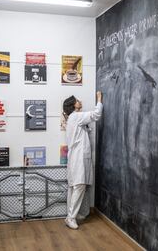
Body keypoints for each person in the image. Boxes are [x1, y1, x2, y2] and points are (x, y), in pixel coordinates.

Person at [63, 91, 103, 229]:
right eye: (77, 100)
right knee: (79, 186)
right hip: (78, 157)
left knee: (75, 186)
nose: (80, 101)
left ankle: (76, 214)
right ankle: (71, 217)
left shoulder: (73, 118)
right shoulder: (76, 116)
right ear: (73, 105)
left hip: (77, 157)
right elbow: (96, 115)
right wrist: (99, 99)